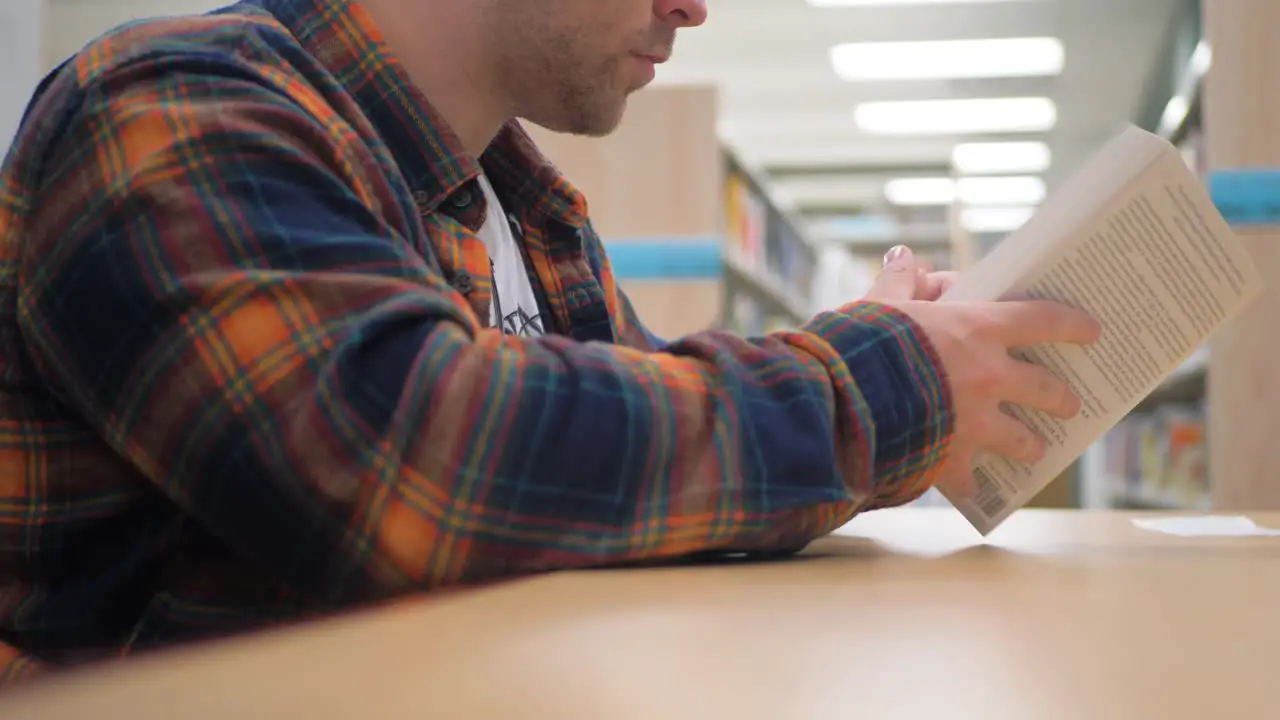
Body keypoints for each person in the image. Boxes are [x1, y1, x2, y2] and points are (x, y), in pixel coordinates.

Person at [0, 0, 1099, 686]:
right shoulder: (174, 108)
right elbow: (417, 464)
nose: (691, 6)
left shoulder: (518, 206)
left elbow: (640, 468)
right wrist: (883, 382)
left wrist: (901, 357)